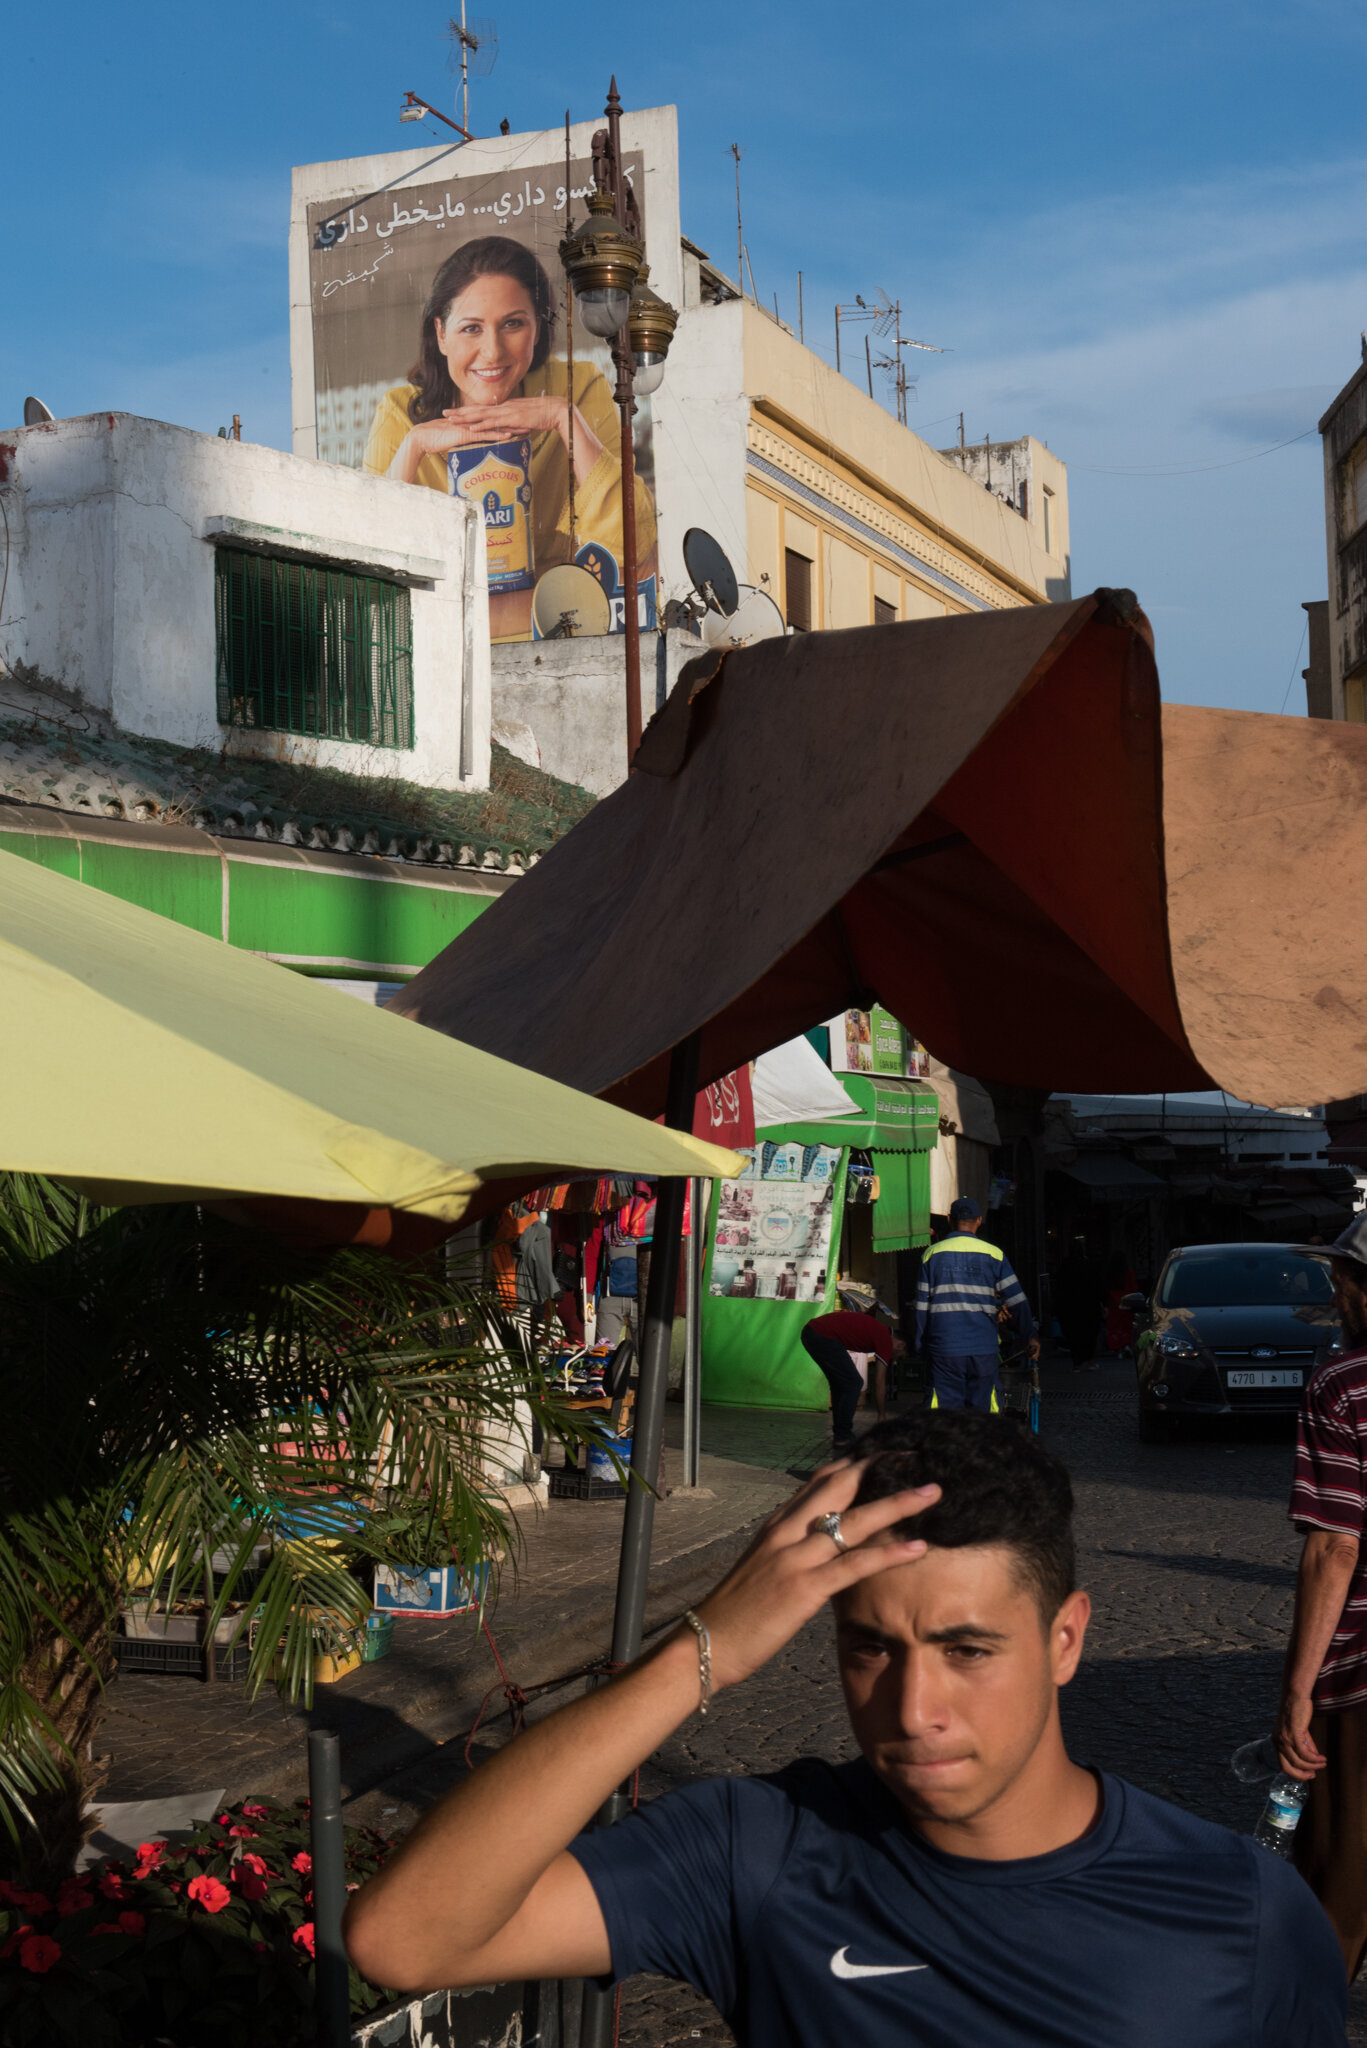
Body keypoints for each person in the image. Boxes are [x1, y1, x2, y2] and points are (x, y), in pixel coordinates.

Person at [344, 1413, 1344, 2044]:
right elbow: (405, 1937)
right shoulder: (760, 1849)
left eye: (967, 1648)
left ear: (1065, 1637)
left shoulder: (1241, 1907)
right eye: (870, 1646)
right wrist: (700, 1651)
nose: (911, 1709)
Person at [363, 236, 658, 643]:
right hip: (447, 647)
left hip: (565, 641)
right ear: (441, 333)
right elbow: (370, 562)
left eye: (513, 323)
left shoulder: (577, 388)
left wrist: (562, 419)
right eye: (471, 328)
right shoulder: (399, 415)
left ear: (537, 327)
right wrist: (414, 447)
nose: (493, 351)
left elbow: (631, 545)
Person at [1279, 1211, 1367, 1978]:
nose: (1334, 1288)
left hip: (1360, 1678)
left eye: (1343, 1276)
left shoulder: (1342, 1387)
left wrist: (1298, 1692)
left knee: (1336, 1898)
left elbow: (1335, 1548)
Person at [914, 1197, 1038, 1411]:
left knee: (944, 1416)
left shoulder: (931, 1254)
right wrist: (1030, 1336)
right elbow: (1017, 1300)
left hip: (944, 1349)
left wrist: (920, 1346)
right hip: (983, 1348)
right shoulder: (994, 1254)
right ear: (979, 1220)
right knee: (983, 1417)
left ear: (949, 1219)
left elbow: (921, 1309)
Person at [799, 1309, 903, 1452]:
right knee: (854, 1383)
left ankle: (841, 1435)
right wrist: (882, 1415)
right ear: (900, 1345)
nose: (896, 1358)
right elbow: (880, 1382)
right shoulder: (885, 1340)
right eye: (901, 1355)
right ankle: (842, 1436)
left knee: (840, 1384)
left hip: (811, 1332)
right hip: (822, 1335)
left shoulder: (879, 1331)